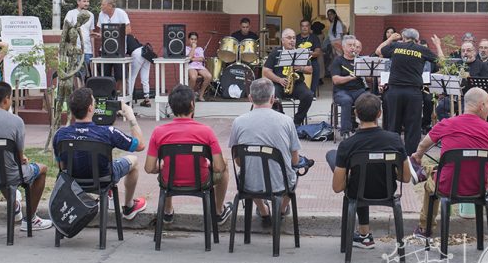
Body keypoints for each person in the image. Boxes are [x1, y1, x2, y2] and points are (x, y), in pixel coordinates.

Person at [411, 87, 488, 237]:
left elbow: (423, 145)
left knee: (430, 186)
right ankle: (426, 171)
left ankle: (424, 228)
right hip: (477, 187)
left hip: (447, 187)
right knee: (441, 170)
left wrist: (417, 156)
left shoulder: (447, 123)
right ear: (482, 106)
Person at [328, 93, 410, 250]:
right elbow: (406, 177)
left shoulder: (347, 144)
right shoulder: (394, 139)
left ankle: (364, 233)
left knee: (332, 156)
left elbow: (337, 188)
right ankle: (364, 234)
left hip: (357, 191)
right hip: (386, 190)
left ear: (356, 114)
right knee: (361, 173)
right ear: (379, 113)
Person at [0, 81, 52, 231]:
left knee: (4, 166)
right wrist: (23, 159)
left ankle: (15, 207)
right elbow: (19, 157)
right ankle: (30, 219)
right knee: (41, 169)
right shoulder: (16, 121)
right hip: (9, 175)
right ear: (6, 99)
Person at [52, 87, 148, 220]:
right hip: (103, 178)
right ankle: (129, 206)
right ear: (91, 108)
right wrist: (131, 117)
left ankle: (107, 193)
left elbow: (61, 166)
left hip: (72, 179)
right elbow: (140, 145)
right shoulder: (108, 132)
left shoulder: (60, 134)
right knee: (134, 161)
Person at [145, 85, 232, 226]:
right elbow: (219, 167)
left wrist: (159, 167)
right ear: (192, 104)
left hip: (169, 182)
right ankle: (218, 211)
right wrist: (209, 165)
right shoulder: (206, 131)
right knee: (225, 163)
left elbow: (149, 168)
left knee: (165, 168)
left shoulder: (158, 132)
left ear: (171, 106)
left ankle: (167, 211)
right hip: (202, 180)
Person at [228, 78, 308, 226]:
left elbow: (238, 161)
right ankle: (282, 209)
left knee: (250, 170)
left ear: (250, 98)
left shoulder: (238, 122)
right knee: (295, 172)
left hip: (249, 183)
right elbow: (294, 161)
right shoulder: (286, 121)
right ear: (273, 98)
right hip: (280, 183)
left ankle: (263, 210)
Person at [376, 28, 444, 157]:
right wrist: (438, 45)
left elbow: (379, 51)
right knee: (412, 126)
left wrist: (390, 39)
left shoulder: (396, 46)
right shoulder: (421, 49)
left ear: (403, 37)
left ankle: (392, 154)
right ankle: (410, 157)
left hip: (394, 91)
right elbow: (442, 62)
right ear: (417, 39)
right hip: (413, 92)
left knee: (393, 124)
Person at [262, 28, 314, 126]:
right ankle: (283, 122)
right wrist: (279, 79)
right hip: (279, 84)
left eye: (294, 38)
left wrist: (301, 68)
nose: (292, 40)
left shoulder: (300, 53)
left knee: (308, 95)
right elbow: (266, 71)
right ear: (282, 40)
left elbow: (310, 70)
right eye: (289, 38)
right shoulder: (275, 53)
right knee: (273, 96)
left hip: (297, 83)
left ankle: (296, 122)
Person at [330, 35, 368, 139]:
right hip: (341, 91)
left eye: (355, 46)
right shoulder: (338, 61)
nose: (353, 48)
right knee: (346, 101)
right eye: (350, 45)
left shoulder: (360, 60)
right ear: (343, 47)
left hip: (358, 90)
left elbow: (369, 79)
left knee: (368, 99)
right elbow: (336, 80)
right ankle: (345, 132)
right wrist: (350, 78)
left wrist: (369, 73)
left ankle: (367, 129)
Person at [96, 0, 130, 78]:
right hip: (105, 49)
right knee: (103, 73)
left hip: (119, 50)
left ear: (110, 6)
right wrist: (99, 35)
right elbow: (101, 32)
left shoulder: (121, 13)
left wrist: (115, 36)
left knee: (121, 75)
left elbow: (128, 30)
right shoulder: (101, 14)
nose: (101, 7)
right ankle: (107, 90)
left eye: (103, 5)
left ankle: (119, 91)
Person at [64, 0, 96, 79]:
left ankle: (84, 91)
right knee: (75, 73)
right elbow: (66, 30)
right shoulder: (71, 13)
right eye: (84, 1)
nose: (87, 3)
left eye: (88, 1)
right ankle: (77, 91)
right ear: (78, 2)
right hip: (75, 49)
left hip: (87, 49)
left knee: (86, 73)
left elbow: (91, 33)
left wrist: (93, 51)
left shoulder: (91, 15)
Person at [296, 19, 323, 98]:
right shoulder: (296, 38)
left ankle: (312, 93)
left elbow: (317, 52)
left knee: (315, 68)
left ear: (309, 27)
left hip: (311, 61)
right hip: (298, 62)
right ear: (300, 27)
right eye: (302, 26)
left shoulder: (314, 38)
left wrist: (306, 54)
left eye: (306, 26)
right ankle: (297, 93)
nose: (304, 28)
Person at [185, 31, 213, 98]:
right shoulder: (186, 48)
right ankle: (190, 94)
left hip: (199, 66)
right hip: (191, 66)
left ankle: (201, 94)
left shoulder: (200, 49)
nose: (193, 41)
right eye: (192, 39)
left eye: (195, 39)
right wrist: (193, 48)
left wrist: (192, 59)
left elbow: (202, 59)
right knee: (193, 77)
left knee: (209, 76)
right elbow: (189, 58)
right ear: (188, 40)